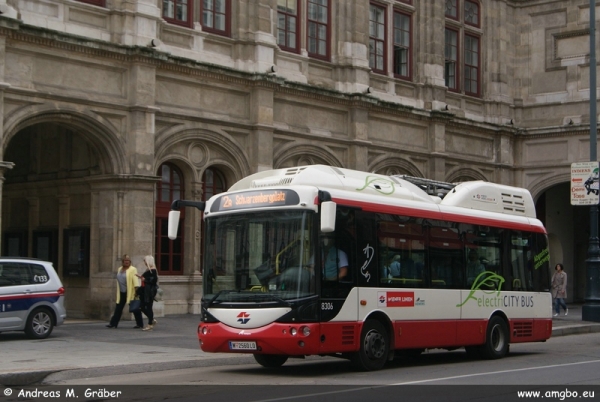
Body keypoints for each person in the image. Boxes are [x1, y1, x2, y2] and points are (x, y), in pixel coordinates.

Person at [106, 255, 143, 329]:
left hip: (130, 292)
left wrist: (136, 290)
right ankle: (113, 323)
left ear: (130, 262)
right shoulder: (120, 269)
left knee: (135, 308)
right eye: (125, 260)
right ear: (122, 261)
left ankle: (139, 324)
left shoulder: (133, 269)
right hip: (121, 292)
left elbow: (135, 280)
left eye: (128, 260)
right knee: (118, 308)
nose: (127, 262)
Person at [138, 255, 159, 331]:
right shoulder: (149, 270)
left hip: (149, 292)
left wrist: (144, 279)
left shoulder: (153, 270)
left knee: (148, 307)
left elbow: (153, 281)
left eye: (145, 261)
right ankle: (151, 320)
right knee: (142, 307)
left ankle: (150, 323)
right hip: (145, 291)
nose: (144, 262)